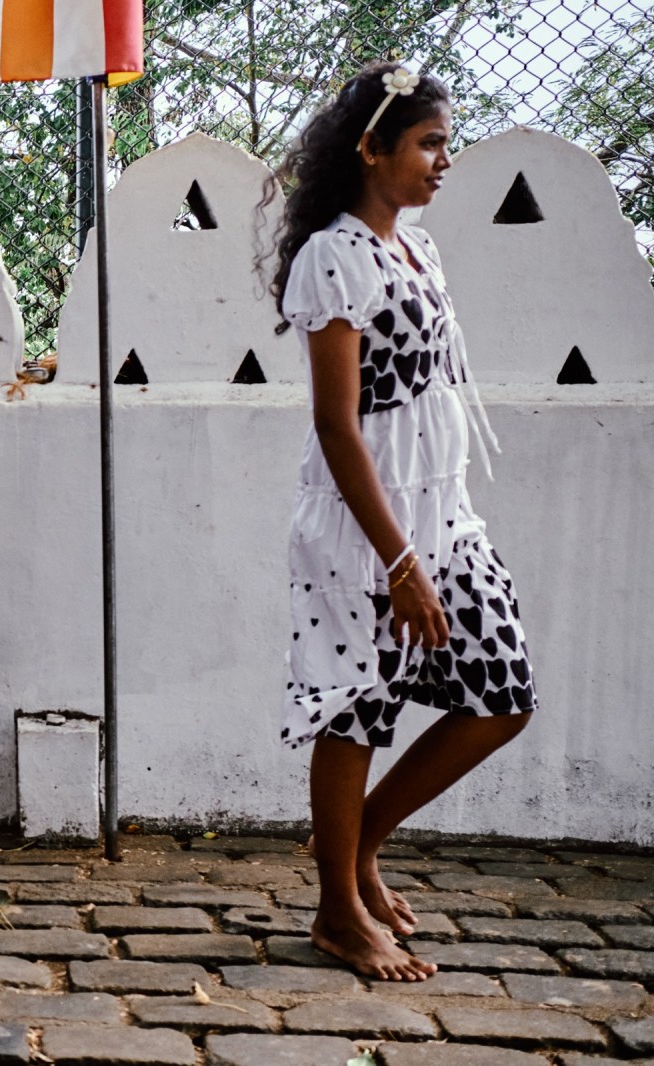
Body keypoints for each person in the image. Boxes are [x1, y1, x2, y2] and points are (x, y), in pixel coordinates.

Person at [262, 63, 535, 979]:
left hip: (444, 511)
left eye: (445, 144)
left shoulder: (416, 248)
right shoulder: (331, 256)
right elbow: (338, 425)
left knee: (502, 694)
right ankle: (338, 909)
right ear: (370, 149)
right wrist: (399, 562)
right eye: (427, 143)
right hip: (365, 527)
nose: (443, 161)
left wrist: (429, 545)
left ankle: (357, 843)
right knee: (358, 710)